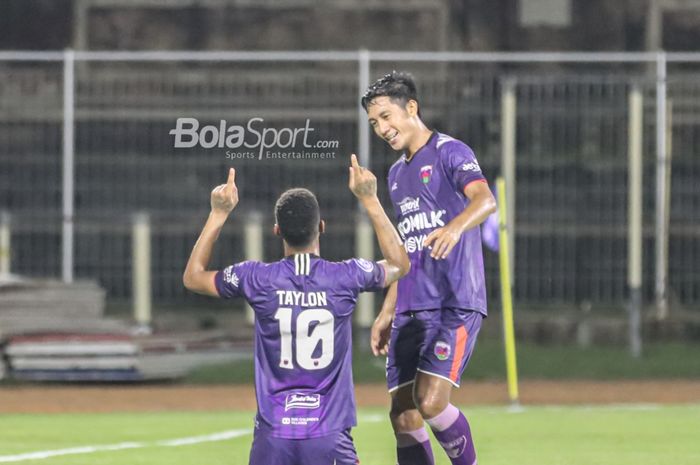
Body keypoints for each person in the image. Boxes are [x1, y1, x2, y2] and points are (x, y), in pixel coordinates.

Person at [182, 156, 410, 465]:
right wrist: (369, 198)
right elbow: (399, 264)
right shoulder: (345, 276)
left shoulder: (256, 278)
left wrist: (218, 214)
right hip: (329, 436)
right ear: (321, 227)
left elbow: (193, 277)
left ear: (276, 230)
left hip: (273, 439)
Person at [362, 71, 497, 465]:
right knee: (403, 415)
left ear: (412, 108)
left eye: (386, 116)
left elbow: (485, 200)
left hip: (454, 301)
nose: (382, 128)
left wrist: (454, 227)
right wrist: (388, 309)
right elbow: (404, 250)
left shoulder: (451, 151)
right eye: (374, 123)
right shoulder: (395, 174)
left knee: (430, 401)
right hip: (410, 304)